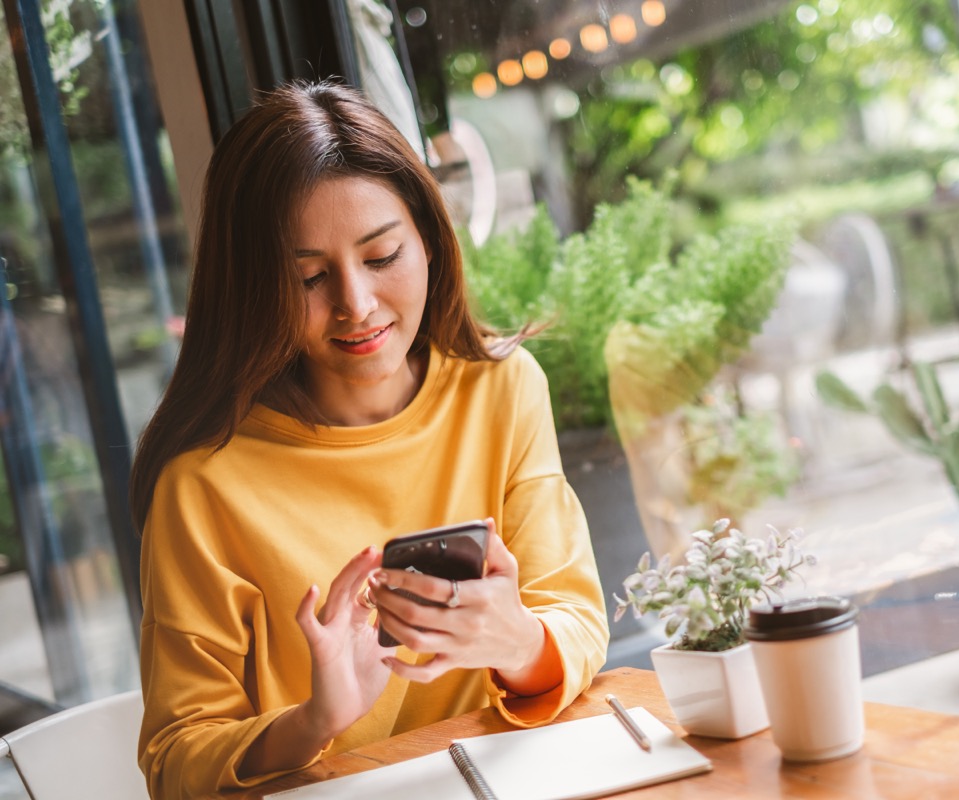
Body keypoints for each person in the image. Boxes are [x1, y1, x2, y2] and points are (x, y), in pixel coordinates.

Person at [131, 80, 609, 799]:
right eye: (311, 278)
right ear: (254, 287)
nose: (356, 305)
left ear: (428, 240)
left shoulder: (501, 391)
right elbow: (175, 758)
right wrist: (314, 719)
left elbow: (572, 616)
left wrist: (516, 641)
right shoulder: (204, 485)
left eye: (382, 256)